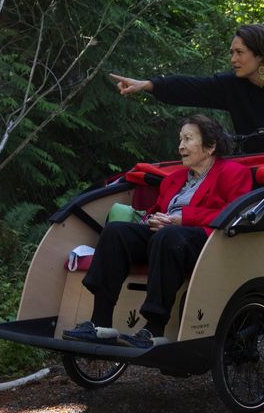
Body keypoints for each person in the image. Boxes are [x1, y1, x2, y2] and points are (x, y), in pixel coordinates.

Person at [109, 23, 264, 282]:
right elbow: (192, 87)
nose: (233, 59)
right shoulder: (233, 85)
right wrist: (147, 85)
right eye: (231, 52)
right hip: (259, 161)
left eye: (240, 53)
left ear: (260, 55)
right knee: (247, 205)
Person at [63, 115, 253, 348]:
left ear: (210, 146)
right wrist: (152, 219)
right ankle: (100, 323)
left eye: (188, 139)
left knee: (167, 236)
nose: (180, 146)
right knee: (115, 232)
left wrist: (182, 219)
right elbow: (156, 211)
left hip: (206, 242)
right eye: (180, 139)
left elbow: (235, 213)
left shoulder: (233, 172)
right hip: (166, 237)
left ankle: (154, 328)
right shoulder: (173, 180)